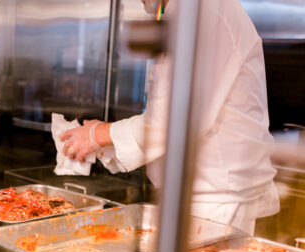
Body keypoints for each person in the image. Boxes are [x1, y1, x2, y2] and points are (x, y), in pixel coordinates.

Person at [61, 0, 279, 234]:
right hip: (197, 197)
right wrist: (103, 135)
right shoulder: (183, 12)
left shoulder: (207, 11)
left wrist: (100, 134)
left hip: (219, 204)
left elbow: (178, 119)